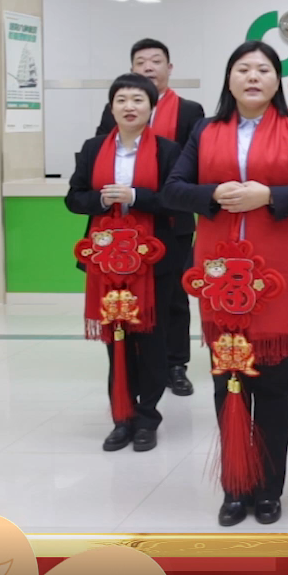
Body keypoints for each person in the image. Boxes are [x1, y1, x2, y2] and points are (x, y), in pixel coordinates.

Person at [161, 41, 288, 527]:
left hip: (275, 276)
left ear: (278, 80)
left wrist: (270, 195)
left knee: (274, 384)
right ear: (230, 79)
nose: (253, 76)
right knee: (228, 381)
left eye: (263, 69)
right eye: (243, 69)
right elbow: (173, 189)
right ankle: (235, 486)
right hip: (220, 273)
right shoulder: (205, 129)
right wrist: (212, 194)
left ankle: (270, 489)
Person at [65, 74, 190, 454]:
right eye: (122, 100)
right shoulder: (93, 149)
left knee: (150, 338)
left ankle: (147, 417)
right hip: (106, 261)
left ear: (152, 107)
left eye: (138, 100)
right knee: (116, 338)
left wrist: (136, 196)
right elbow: (74, 198)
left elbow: (177, 200)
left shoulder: (168, 150)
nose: (129, 107)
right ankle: (122, 417)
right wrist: (101, 201)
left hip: (153, 261)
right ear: (111, 107)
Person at [95, 38, 205, 398]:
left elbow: (196, 163)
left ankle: (175, 365)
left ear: (169, 68)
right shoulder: (114, 109)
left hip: (171, 222)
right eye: (140, 61)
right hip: (120, 228)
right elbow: (100, 156)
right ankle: (132, 365)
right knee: (124, 298)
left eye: (155, 61)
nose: (148, 67)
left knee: (173, 297)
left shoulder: (189, 110)